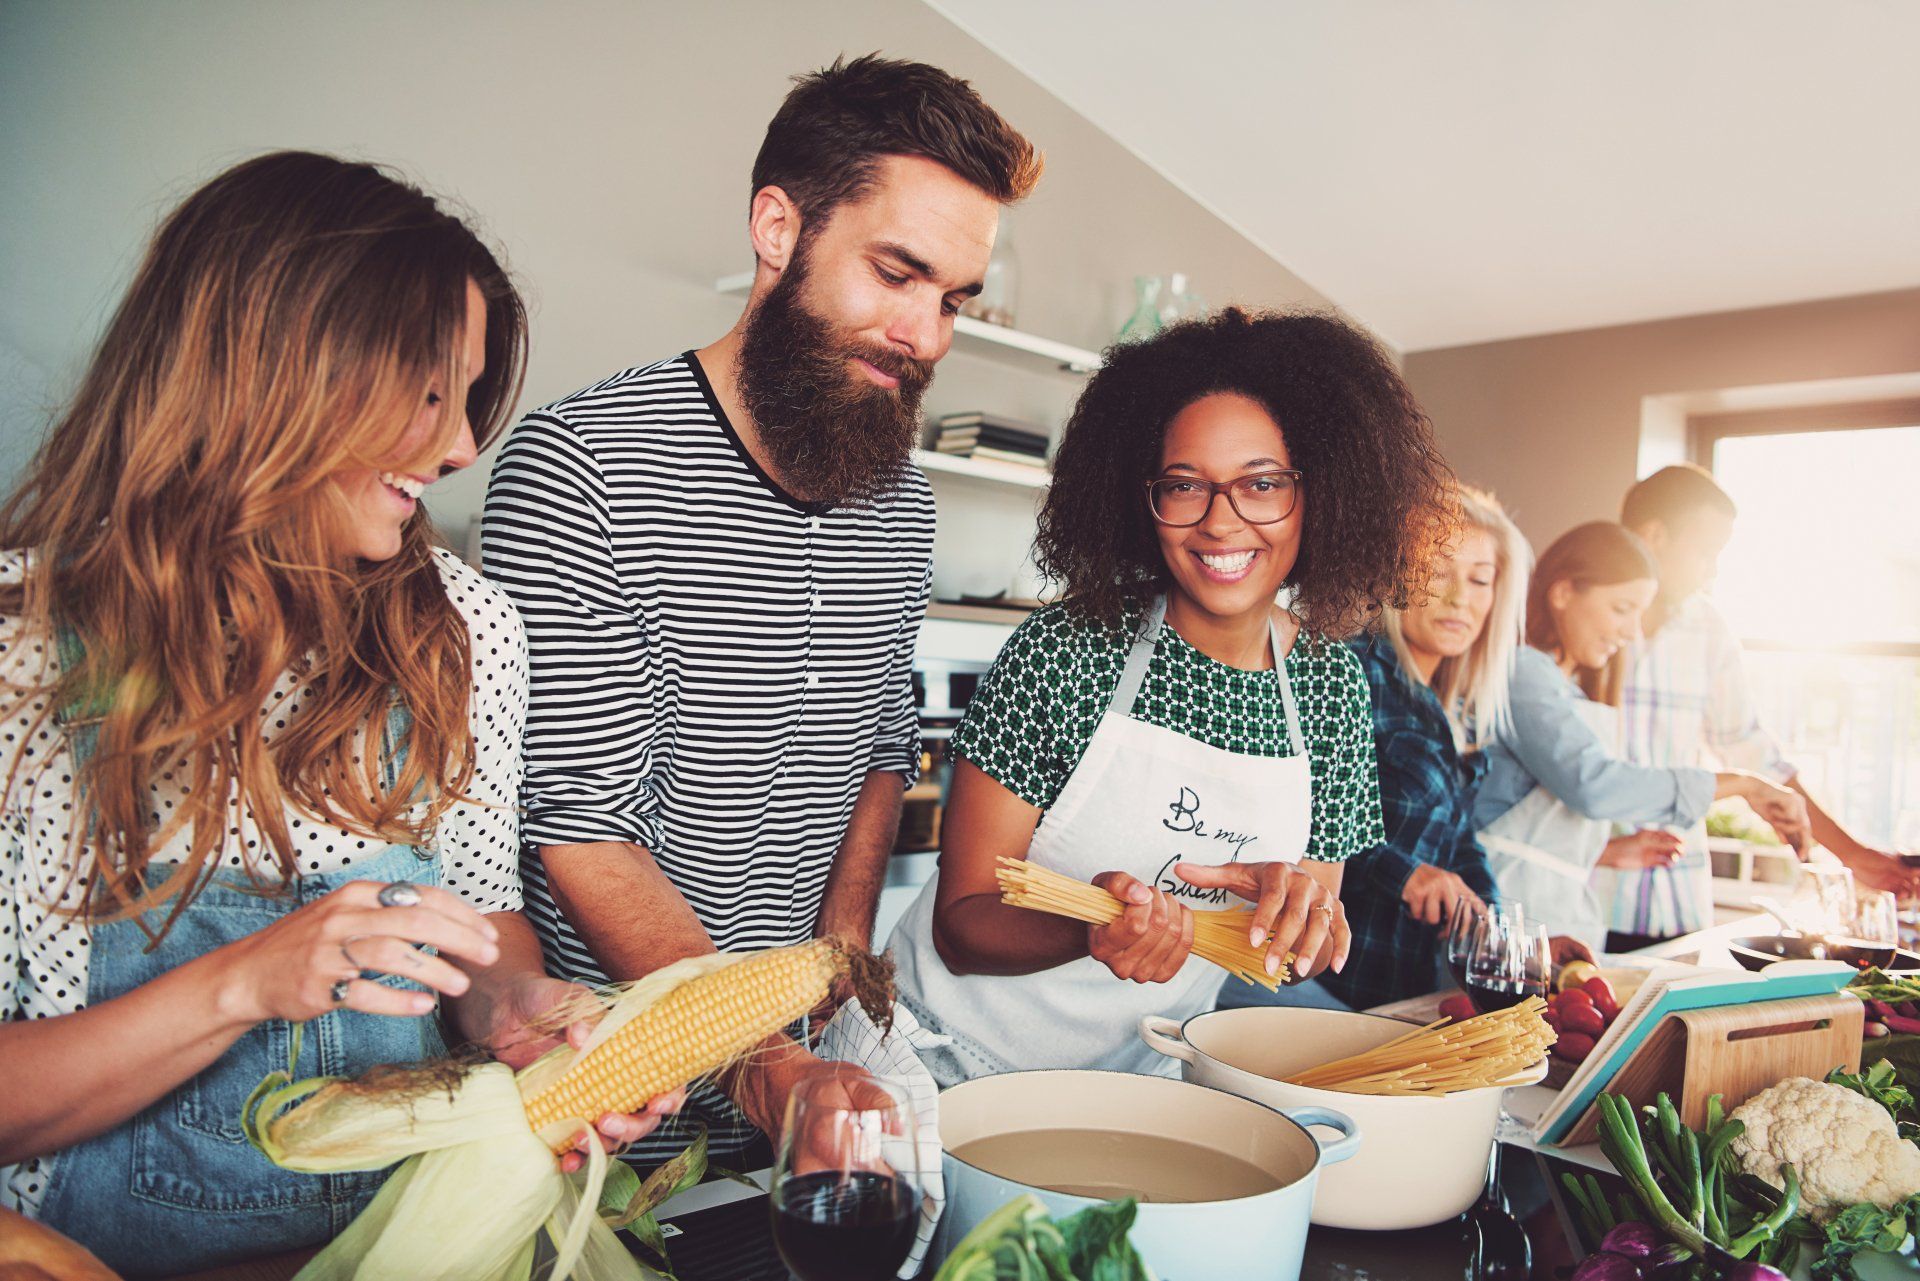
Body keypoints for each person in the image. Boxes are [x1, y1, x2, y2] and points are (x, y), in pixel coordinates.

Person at [0, 152, 677, 1276]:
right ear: (276, 367)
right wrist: (242, 982)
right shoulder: (22, 651)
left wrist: (512, 1007)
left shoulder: (465, 629)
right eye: (428, 389)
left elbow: (482, 919)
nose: (463, 446)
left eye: (468, 398)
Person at [481, 55, 1041, 1164]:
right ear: (778, 228)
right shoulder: (581, 465)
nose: (926, 335)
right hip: (607, 1110)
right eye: (896, 274)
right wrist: (762, 1066)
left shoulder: (902, 506)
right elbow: (583, 826)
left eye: (953, 300)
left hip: (804, 1083)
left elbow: (881, 750)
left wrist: (837, 975)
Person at [887, 308, 1453, 1083]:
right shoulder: (1065, 652)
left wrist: (1300, 923)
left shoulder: (1329, 685)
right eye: (1185, 485)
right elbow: (962, 924)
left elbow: (1296, 955)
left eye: (1260, 484)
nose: (1221, 522)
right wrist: (1093, 928)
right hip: (936, 1063)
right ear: (1142, 498)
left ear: (1320, 493)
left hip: (1128, 1084)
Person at [1601, 465, 1916, 948]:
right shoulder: (1576, 625)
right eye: (1707, 552)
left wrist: (1853, 855)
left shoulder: (1708, 628)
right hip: (1584, 899)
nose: (1714, 570)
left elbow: (1755, 757)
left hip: (1675, 901)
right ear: (1654, 535)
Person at [1473, 521, 1810, 955]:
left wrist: (1604, 849)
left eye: (1639, 614)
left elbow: (1536, 820)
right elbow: (1593, 784)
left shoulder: (1567, 688)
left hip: (1555, 919)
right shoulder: (1523, 672)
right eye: (1621, 608)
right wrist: (1743, 784)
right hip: (1509, 912)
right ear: (1561, 594)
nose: (1632, 632)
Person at [1307, 486, 1526, 1012]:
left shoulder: (1457, 710)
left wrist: (1497, 935)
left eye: (1479, 579)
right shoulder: (1349, 672)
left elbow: (1460, 841)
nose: (1459, 599)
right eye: (1437, 571)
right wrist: (1405, 873)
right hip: (1323, 985)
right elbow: (1303, 825)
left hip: (1401, 993)